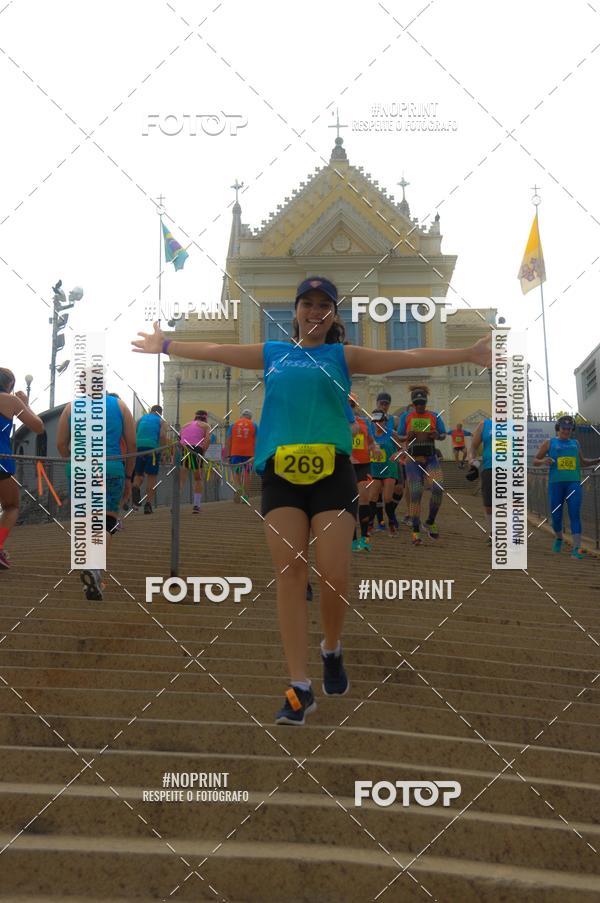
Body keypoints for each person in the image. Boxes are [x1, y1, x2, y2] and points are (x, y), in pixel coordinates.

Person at [133, 275, 491, 725]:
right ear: (296, 310)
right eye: (308, 303)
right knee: (289, 573)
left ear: (334, 315)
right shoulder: (273, 353)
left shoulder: (342, 356)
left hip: (333, 472)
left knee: (335, 573)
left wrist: (469, 354)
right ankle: (299, 685)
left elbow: (406, 356)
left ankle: (331, 648)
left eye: (325, 305)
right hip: (281, 472)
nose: (315, 311)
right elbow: (217, 351)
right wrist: (166, 345)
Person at [57, 383, 136, 600]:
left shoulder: (71, 407)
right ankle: (94, 569)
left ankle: (93, 571)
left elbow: (61, 443)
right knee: (107, 522)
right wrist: (129, 476)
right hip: (110, 467)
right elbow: (131, 444)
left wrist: (72, 463)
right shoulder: (119, 405)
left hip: (79, 467)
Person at [532, 415, 600, 559]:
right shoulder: (549, 442)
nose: (566, 431)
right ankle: (559, 537)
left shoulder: (575, 443)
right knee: (556, 517)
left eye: (569, 429)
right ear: (559, 428)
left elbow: (582, 463)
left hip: (573, 483)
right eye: (564, 428)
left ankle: (576, 548)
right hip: (556, 484)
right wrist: (544, 460)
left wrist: (597, 460)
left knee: (575, 514)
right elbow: (535, 460)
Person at [0, 368, 45, 569]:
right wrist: (26, 405)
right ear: (9, 384)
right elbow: (38, 426)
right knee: (11, 506)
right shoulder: (10, 400)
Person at [398, 385, 447, 545]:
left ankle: (430, 521)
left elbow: (444, 434)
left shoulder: (434, 416)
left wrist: (437, 435)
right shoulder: (406, 416)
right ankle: (415, 531)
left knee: (438, 488)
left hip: (431, 458)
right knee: (416, 492)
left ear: (426, 402)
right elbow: (399, 436)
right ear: (413, 403)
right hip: (413, 459)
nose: (420, 406)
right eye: (417, 403)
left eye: (422, 403)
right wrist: (407, 436)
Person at [349, 396, 379, 551]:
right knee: (350, 502)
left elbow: (371, 441)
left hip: (364, 465)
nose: (350, 407)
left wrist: (375, 448)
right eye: (347, 404)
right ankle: (353, 540)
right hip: (346, 467)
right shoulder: (338, 422)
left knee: (364, 498)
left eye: (352, 404)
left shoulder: (364, 422)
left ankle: (365, 538)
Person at [368, 411, 401, 535]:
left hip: (389, 469)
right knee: (372, 497)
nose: (377, 424)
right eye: (375, 421)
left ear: (385, 421)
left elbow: (403, 448)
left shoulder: (392, 434)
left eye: (380, 421)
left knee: (387, 498)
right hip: (375, 469)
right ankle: (370, 525)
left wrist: (397, 454)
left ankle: (392, 524)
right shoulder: (370, 434)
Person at [132, 404, 167, 514]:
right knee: (151, 477)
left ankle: (135, 487)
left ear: (151, 411)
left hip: (139, 448)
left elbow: (134, 431)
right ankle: (148, 505)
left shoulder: (141, 418)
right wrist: (162, 451)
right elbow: (162, 435)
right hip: (152, 449)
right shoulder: (161, 421)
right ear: (160, 413)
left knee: (139, 474)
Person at [467, 417, 493, 544]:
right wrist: (472, 461)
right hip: (489, 468)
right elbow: (473, 447)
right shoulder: (485, 424)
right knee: (489, 504)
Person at [180, 410, 211, 513]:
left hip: (184, 449)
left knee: (181, 480)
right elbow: (207, 440)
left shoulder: (184, 425)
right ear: (205, 418)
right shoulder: (206, 426)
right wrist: (203, 452)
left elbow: (180, 439)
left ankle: (175, 505)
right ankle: (196, 506)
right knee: (198, 479)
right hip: (196, 449)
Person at [225, 409, 258, 503]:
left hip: (235, 453)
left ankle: (238, 487)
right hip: (249, 454)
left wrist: (228, 455)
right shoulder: (254, 425)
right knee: (247, 474)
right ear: (250, 417)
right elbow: (257, 440)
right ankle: (245, 497)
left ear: (241, 416)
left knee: (236, 473)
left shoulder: (233, 425)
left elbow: (228, 441)